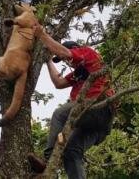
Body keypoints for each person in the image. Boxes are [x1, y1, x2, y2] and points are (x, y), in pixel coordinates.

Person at [28, 26, 116, 179]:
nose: (68, 63)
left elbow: (66, 53)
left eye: (65, 60)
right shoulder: (78, 74)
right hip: (98, 126)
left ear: (76, 49)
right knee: (72, 152)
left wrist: (42, 35)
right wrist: (48, 61)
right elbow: (59, 83)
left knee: (59, 114)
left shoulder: (87, 52)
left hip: (99, 107)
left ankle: (48, 161)